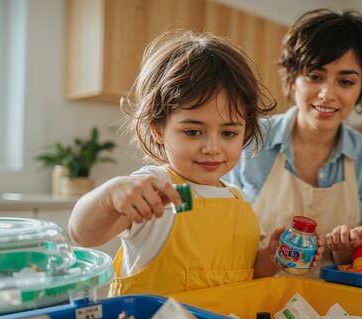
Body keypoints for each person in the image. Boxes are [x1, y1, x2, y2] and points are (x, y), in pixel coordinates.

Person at [68, 30, 324, 296]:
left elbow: (248, 275)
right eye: (193, 132)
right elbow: (83, 234)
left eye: (229, 133)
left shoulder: (238, 201)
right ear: (158, 129)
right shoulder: (157, 189)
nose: (212, 148)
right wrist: (112, 194)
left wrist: (271, 256)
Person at [225, 9, 362, 269]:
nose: (327, 94)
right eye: (315, 76)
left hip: (336, 305)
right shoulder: (249, 138)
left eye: (345, 81)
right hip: (253, 298)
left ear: (361, 89)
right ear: (292, 80)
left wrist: (348, 253)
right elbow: (217, 222)